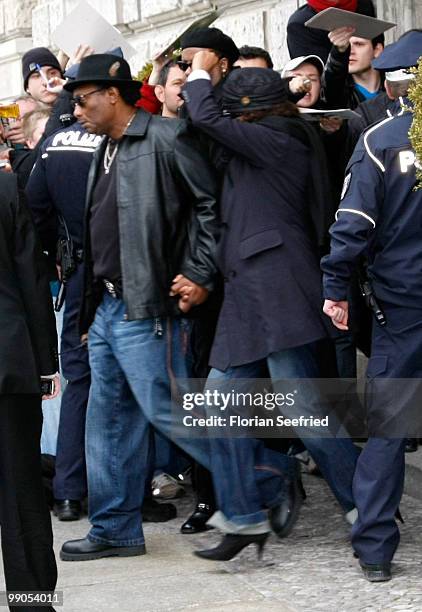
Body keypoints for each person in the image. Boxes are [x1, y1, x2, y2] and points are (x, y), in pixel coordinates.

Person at [181, 55, 361, 561]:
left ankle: (365, 509)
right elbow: (200, 123)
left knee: (307, 415)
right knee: (219, 406)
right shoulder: (257, 139)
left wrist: (200, 75)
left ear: (252, 114)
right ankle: (244, 517)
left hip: (280, 289)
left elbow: (206, 117)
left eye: (237, 115)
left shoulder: (280, 137)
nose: (233, 124)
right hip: (250, 295)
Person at [59, 54, 219, 561]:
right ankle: (115, 530)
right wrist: (87, 315)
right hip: (108, 306)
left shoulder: (166, 139)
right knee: (108, 422)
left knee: (170, 412)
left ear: (112, 94)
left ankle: (263, 473)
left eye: (82, 100)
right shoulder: (105, 148)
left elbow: (210, 207)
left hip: (149, 304)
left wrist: (199, 272)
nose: (76, 110)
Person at [321, 29, 422, 582]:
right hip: (403, 302)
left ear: (397, 82)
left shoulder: (382, 141)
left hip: (402, 306)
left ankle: (377, 547)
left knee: (388, 424)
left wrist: (335, 288)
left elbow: (353, 226)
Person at [0, 171, 59, 611]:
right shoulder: (5, 189)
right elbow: (31, 275)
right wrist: (44, 364)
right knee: (21, 493)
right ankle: (33, 603)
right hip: (8, 360)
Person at [287, 0, 376, 64]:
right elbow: (313, 77)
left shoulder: (363, 5)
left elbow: (377, 46)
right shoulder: (300, 24)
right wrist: (338, 52)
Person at [322, 29, 384, 109]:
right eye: (346, 46)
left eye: (358, 44)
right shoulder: (337, 92)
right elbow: (332, 79)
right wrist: (339, 53)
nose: (350, 51)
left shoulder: (394, 84)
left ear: (377, 50)